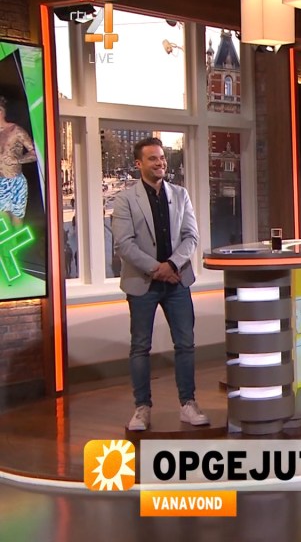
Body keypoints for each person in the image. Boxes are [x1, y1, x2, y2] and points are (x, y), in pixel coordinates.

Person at [111, 137, 207, 431]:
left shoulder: (180, 194)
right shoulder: (125, 200)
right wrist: (157, 269)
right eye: (153, 158)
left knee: (186, 344)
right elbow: (124, 244)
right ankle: (142, 408)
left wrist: (173, 265)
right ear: (139, 164)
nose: (160, 163)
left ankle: (188, 404)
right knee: (140, 347)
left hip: (177, 280)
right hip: (143, 283)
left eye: (162, 157)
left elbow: (191, 236)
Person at [0, 95, 38, 230]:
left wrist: (17, 160)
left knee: (17, 225)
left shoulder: (16, 131)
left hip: (16, 181)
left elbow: (35, 153)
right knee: (3, 223)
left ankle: (15, 243)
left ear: (3, 112)